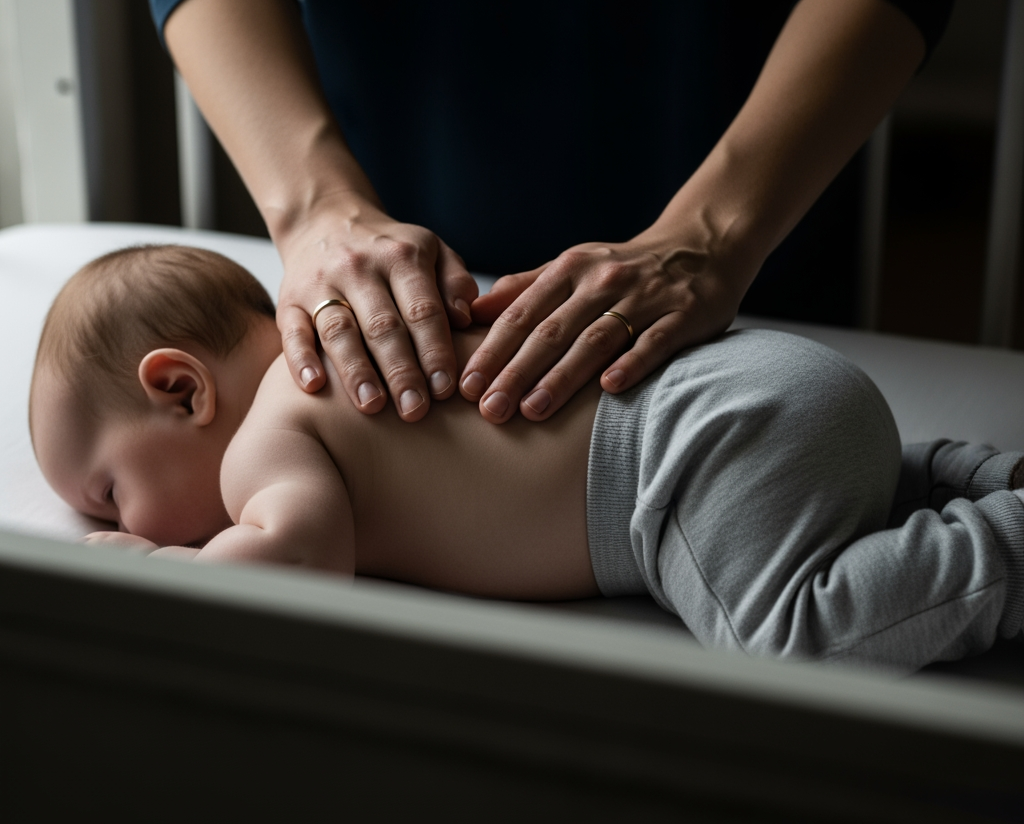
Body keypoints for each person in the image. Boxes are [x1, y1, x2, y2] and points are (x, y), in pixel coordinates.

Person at [138, 0, 974, 426]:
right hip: (389, 189)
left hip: (755, 224)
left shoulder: (273, 447)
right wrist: (318, 209)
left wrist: (716, 234)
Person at [30, 245, 1024, 669]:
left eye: (108, 493)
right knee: (823, 507)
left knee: (787, 645)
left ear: (181, 388)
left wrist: (159, 567)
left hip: (677, 465)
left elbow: (296, 558)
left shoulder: (273, 430)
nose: (109, 523)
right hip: (765, 390)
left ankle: (1003, 539)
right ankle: (951, 474)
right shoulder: (346, 344)